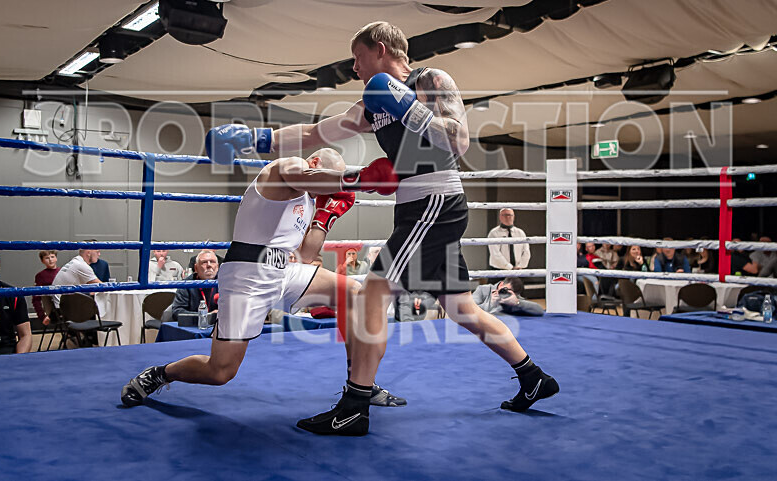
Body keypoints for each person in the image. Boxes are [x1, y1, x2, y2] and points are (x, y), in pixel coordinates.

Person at [204, 21, 558, 435]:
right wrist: (254, 139)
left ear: (382, 48)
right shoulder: (373, 102)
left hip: (434, 201)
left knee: (372, 292)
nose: (354, 68)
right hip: (419, 209)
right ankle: (534, 379)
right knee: (462, 309)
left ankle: (355, 406)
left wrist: (407, 104)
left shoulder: (431, 80)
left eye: (358, 57)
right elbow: (317, 132)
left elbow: (458, 142)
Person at [121, 148, 407, 411]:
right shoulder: (287, 168)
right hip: (248, 275)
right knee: (220, 372)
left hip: (284, 270)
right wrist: (354, 180)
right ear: (316, 164)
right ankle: (161, 373)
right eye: (329, 178)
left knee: (354, 292)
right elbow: (309, 177)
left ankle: (359, 383)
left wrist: (325, 215)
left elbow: (306, 254)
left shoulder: (309, 201)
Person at [170, 250, 220, 321]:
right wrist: (206, 317)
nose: (209, 265)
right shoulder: (186, 284)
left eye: (212, 262)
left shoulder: (225, 283)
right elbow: (177, 312)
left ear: (217, 267)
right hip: (193, 327)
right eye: (204, 262)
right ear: (196, 268)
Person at [472, 277, 544, 316]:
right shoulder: (482, 290)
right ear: (501, 285)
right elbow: (468, 310)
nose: (506, 294)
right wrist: (491, 304)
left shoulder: (514, 298)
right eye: (506, 290)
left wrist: (517, 303)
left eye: (510, 292)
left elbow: (539, 311)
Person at [32, 250, 60, 325]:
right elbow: (36, 299)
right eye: (47, 258)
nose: (50, 260)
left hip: (68, 305)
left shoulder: (62, 272)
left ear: (56, 258)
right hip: (54, 310)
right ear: (42, 261)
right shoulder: (40, 276)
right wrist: (42, 316)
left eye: (52, 257)